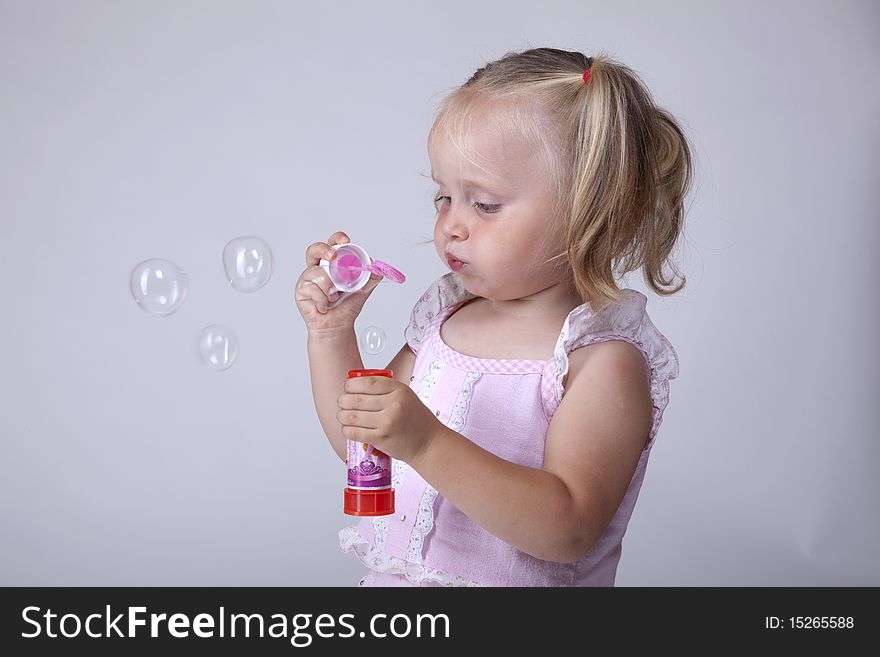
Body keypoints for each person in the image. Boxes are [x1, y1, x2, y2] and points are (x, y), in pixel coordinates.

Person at [295, 47, 692, 586]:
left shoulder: (600, 361)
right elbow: (364, 448)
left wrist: (428, 443)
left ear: (588, 213)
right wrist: (330, 334)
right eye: (443, 197)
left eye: (483, 204)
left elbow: (567, 528)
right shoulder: (443, 325)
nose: (452, 225)